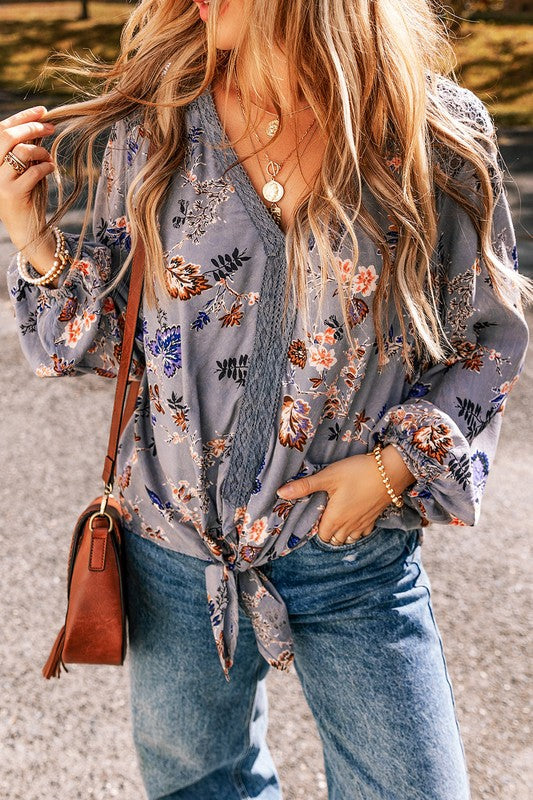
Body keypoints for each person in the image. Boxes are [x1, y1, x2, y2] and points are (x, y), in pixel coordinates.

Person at [1, 0, 531, 797]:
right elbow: (128, 338)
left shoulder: (430, 134)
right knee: (201, 785)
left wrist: (393, 468)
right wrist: (33, 235)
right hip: (173, 557)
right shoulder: (160, 123)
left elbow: (486, 339)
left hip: (352, 560)